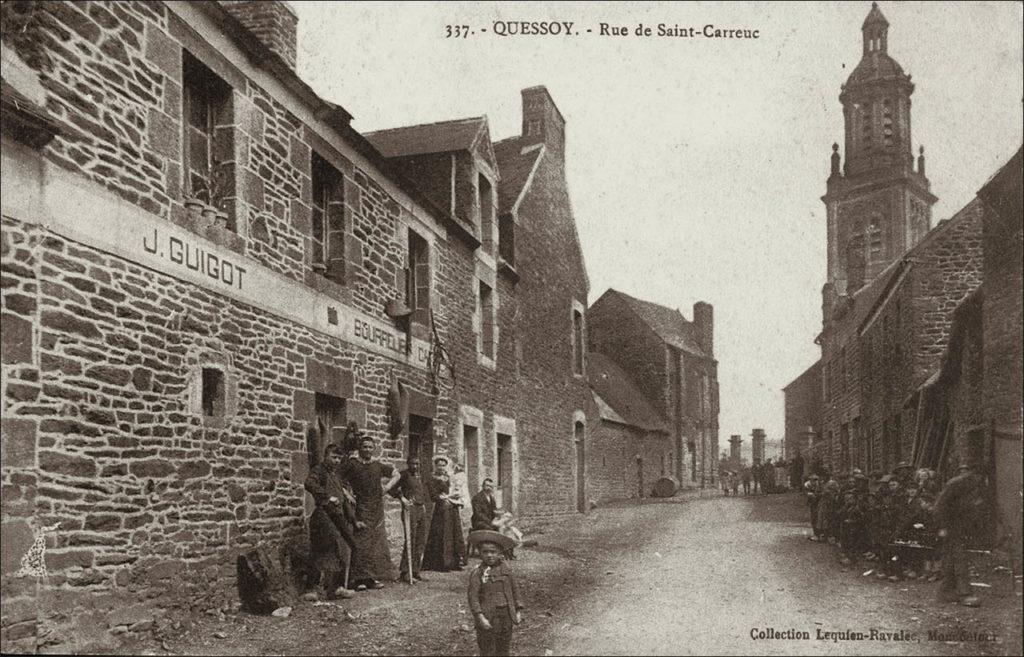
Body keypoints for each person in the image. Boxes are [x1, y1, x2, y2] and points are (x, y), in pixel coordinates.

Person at [340, 434, 401, 591]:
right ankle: (358, 578)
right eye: (364, 447)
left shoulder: (377, 465)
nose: (367, 450)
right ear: (360, 448)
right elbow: (336, 479)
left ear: (374, 449)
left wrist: (386, 488)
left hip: (376, 507)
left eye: (370, 447)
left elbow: (397, 474)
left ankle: (371, 578)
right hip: (360, 506)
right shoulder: (352, 464)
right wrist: (347, 495)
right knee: (360, 541)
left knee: (375, 542)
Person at [304, 442, 361, 599]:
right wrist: (327, 497)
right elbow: (309, 484)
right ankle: (311, 589)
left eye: (338, 458)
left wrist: (354, 520)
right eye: (333, 457)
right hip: (323, 515)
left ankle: (338, 586)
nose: (336, 461)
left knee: (352, 546)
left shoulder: (336, 475)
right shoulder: (318, 471)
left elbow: (343, 501)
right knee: (323, 549)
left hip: (337, 516)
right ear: (326, 456)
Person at [934, 462, 986, 607]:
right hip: (951, 527)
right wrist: (943, 526)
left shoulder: (974, 486)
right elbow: (939, 506)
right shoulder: (956, 484)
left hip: (960, 528)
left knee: (951, 560)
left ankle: (946, 592)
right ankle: (964, 594)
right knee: (959, 559)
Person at [467, 530, 523, 657]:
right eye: (485, 552)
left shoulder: (506, 570)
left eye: (493, 552)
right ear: (480, 553)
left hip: (506, 615)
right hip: (488, 616)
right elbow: (473, 597)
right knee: (488, 648)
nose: (489, 555)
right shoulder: (478, 573)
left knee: (504, 647)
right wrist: (480, 617)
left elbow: (515, 590)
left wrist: (518, 610)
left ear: (500, 553)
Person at [423, 456, 467, 571]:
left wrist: (455, 497)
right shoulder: (431, 479)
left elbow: (456, 490)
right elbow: (433, 496)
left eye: (443, 465)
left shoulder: (449, 478)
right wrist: (442, 499)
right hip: (441, 510)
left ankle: (455, 563)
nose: (441, 467)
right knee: (442, 535)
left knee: (454, 534)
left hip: (452, 508)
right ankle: (441, 564)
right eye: (439, 465)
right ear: (435, 466)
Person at [390, 456, 430, 582]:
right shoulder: (404, 475)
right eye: (412, 464)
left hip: (420, 509)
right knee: (411, 539)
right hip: (410, 510)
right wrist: (402, 498)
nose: (415, 466)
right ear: (408, 464)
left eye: (417, 464)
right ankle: (405, 572)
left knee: (420, 541)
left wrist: (423, 505)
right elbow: (391, 488)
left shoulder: (420, 476)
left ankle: (416, 571)